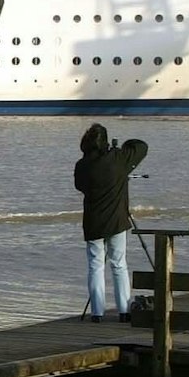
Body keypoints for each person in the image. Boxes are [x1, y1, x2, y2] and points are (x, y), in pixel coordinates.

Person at [73, 123, 148, 323]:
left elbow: (79, 186)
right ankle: (124, 310)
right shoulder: (118, 158)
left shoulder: (82, 165)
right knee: (119, 264)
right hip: (116, 221)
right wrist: (119, 148)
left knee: (95, 266)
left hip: (93, 222)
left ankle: (97, 313)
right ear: (105, 141)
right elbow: (141, 146)